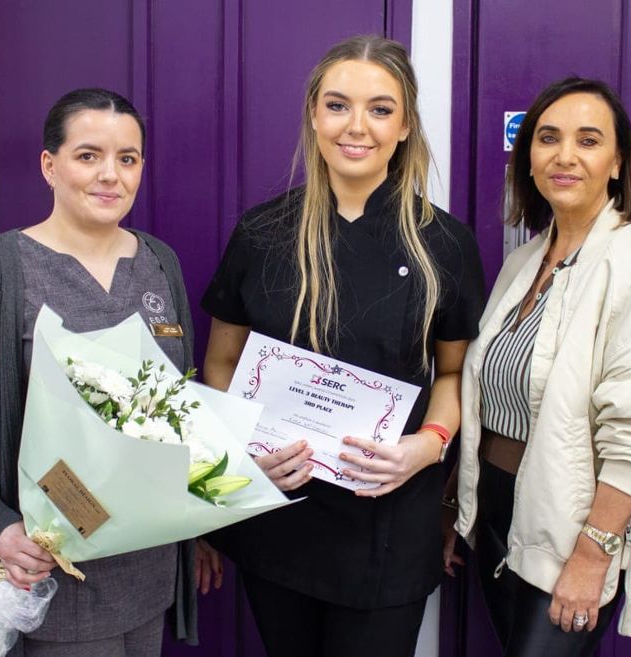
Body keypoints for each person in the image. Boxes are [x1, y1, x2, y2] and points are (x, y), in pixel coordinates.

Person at [196, 35, 486, 657]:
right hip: (278, 517)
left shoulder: (446, 244)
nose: (358, 126)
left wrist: (427, 448)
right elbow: (220, 361)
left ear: (405, 125)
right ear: (313, 114)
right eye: (338, 105)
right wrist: (243, 452)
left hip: (390, 524)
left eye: (381, 109)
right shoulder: (262, 232)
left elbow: (455, 374)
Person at [444, 77, 631, 656]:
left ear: (617, 163)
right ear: (530, 159)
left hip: (573, 527)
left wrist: (594, 553)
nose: (565, 155)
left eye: (588, 140)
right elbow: (490, 402)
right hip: (498, 511)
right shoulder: (525, 261)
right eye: (548, 139)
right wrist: (458, 507)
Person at [0, 88, 196, 657]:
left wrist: (234, 476)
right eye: (88, 155)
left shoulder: (158, 262)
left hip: (149, 574)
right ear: (50, 165)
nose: (110, 176)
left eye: (127, 159)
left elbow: (181, 414)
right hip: (53, 579)